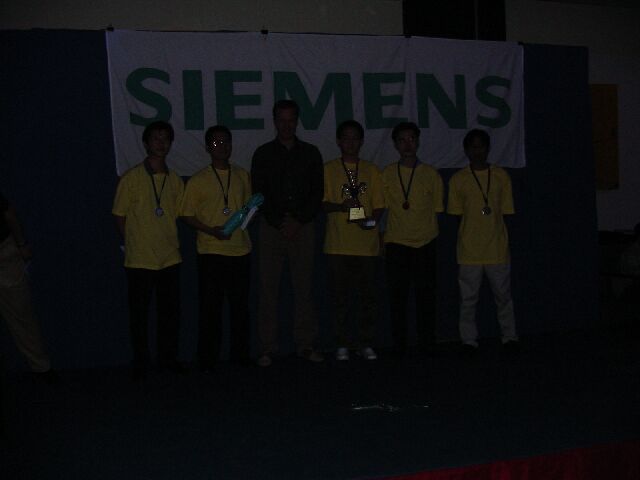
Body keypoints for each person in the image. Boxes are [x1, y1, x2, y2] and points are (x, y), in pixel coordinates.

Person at [251, 100, 324, 367]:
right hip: (272, 227)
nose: (286, 125)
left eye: (291, 119)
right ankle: (267, 348)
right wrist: (280, 221)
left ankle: (305, 345)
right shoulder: (263, 154)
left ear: (297, 121)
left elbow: (317, 192)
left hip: (303, 227)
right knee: (268, 290)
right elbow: (258, 192)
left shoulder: (311, 153)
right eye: (281, 120)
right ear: (274, 122)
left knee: (304, 288)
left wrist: (299, 220)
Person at [112, 121, 185, 379]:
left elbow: (179, 214)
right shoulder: (131, 178)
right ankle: (141, 362)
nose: (161, 143)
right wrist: (134, 241)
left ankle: (168, 359)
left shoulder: (175, 180)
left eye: (165, 138)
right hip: (140, 260)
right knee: (139, 316)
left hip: (170, 258)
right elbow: (119, 216)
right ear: (145, 143)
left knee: (169, 314)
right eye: (156, 138)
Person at [180, 126, 252, 372]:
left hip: (240, 250)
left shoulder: (242, 175)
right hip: (211, 251)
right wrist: (211, 230)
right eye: (216, 142)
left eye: (226, 142)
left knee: (240, 308)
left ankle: (240, 355)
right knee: (211, 308)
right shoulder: (198, 179)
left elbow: (248, 210)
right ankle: (208, 358)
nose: (222, 146)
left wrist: (247, 219)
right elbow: (186, 214)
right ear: (207, 147)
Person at [447, 129, 519, 355]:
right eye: (473, 147)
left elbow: (507, 212)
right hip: (469, 251)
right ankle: (468, 340)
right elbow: (456, 215)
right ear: (466, 150)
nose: (477, 151)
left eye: (481, 146)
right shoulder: (458, 179)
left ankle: (510, 337)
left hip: (497, 248)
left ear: (488, 149)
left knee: (504, 297)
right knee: (468, 300)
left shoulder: (500, 176)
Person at [322, 120, 385, 361]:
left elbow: (379, 205)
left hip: (366, 246)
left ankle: (365, 343)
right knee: (340, 299)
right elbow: (321, 204)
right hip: (338, 245)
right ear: (339, 141)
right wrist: (342, 206)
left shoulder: (371, 170)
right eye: (346, 138)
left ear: (361, 141)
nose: (350, 142)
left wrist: (370, 222)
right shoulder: (328, 169)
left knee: (367, 298)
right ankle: (342, 343)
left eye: (355, 138)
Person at [382, 122, 443, 358]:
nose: (407, 144)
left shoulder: (431, 174)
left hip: (425, 243)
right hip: (396, 244)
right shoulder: (387, 173)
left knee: (426, 297)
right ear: (395, 145)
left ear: (418, 141)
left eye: (411, 139)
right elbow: (382, 210)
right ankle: (400, 345)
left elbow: (437, 210)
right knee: (397, 298)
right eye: (402, 140)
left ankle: (427, 343)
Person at [0, 193, 56, 380]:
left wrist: (21, 244)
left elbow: (8, 213)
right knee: (22, 317)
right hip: (5, 251)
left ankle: (41, 367)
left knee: (21, 315)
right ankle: (42, 368)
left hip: (4, 254)